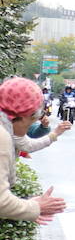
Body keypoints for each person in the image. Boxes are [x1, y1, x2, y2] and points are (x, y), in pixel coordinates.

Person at [0, 78, 66, 224]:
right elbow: (1, 201)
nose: (28, 128)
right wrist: (34, 207)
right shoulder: (2, 135)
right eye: (31, 122)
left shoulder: (6, 128)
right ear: (23, 116)